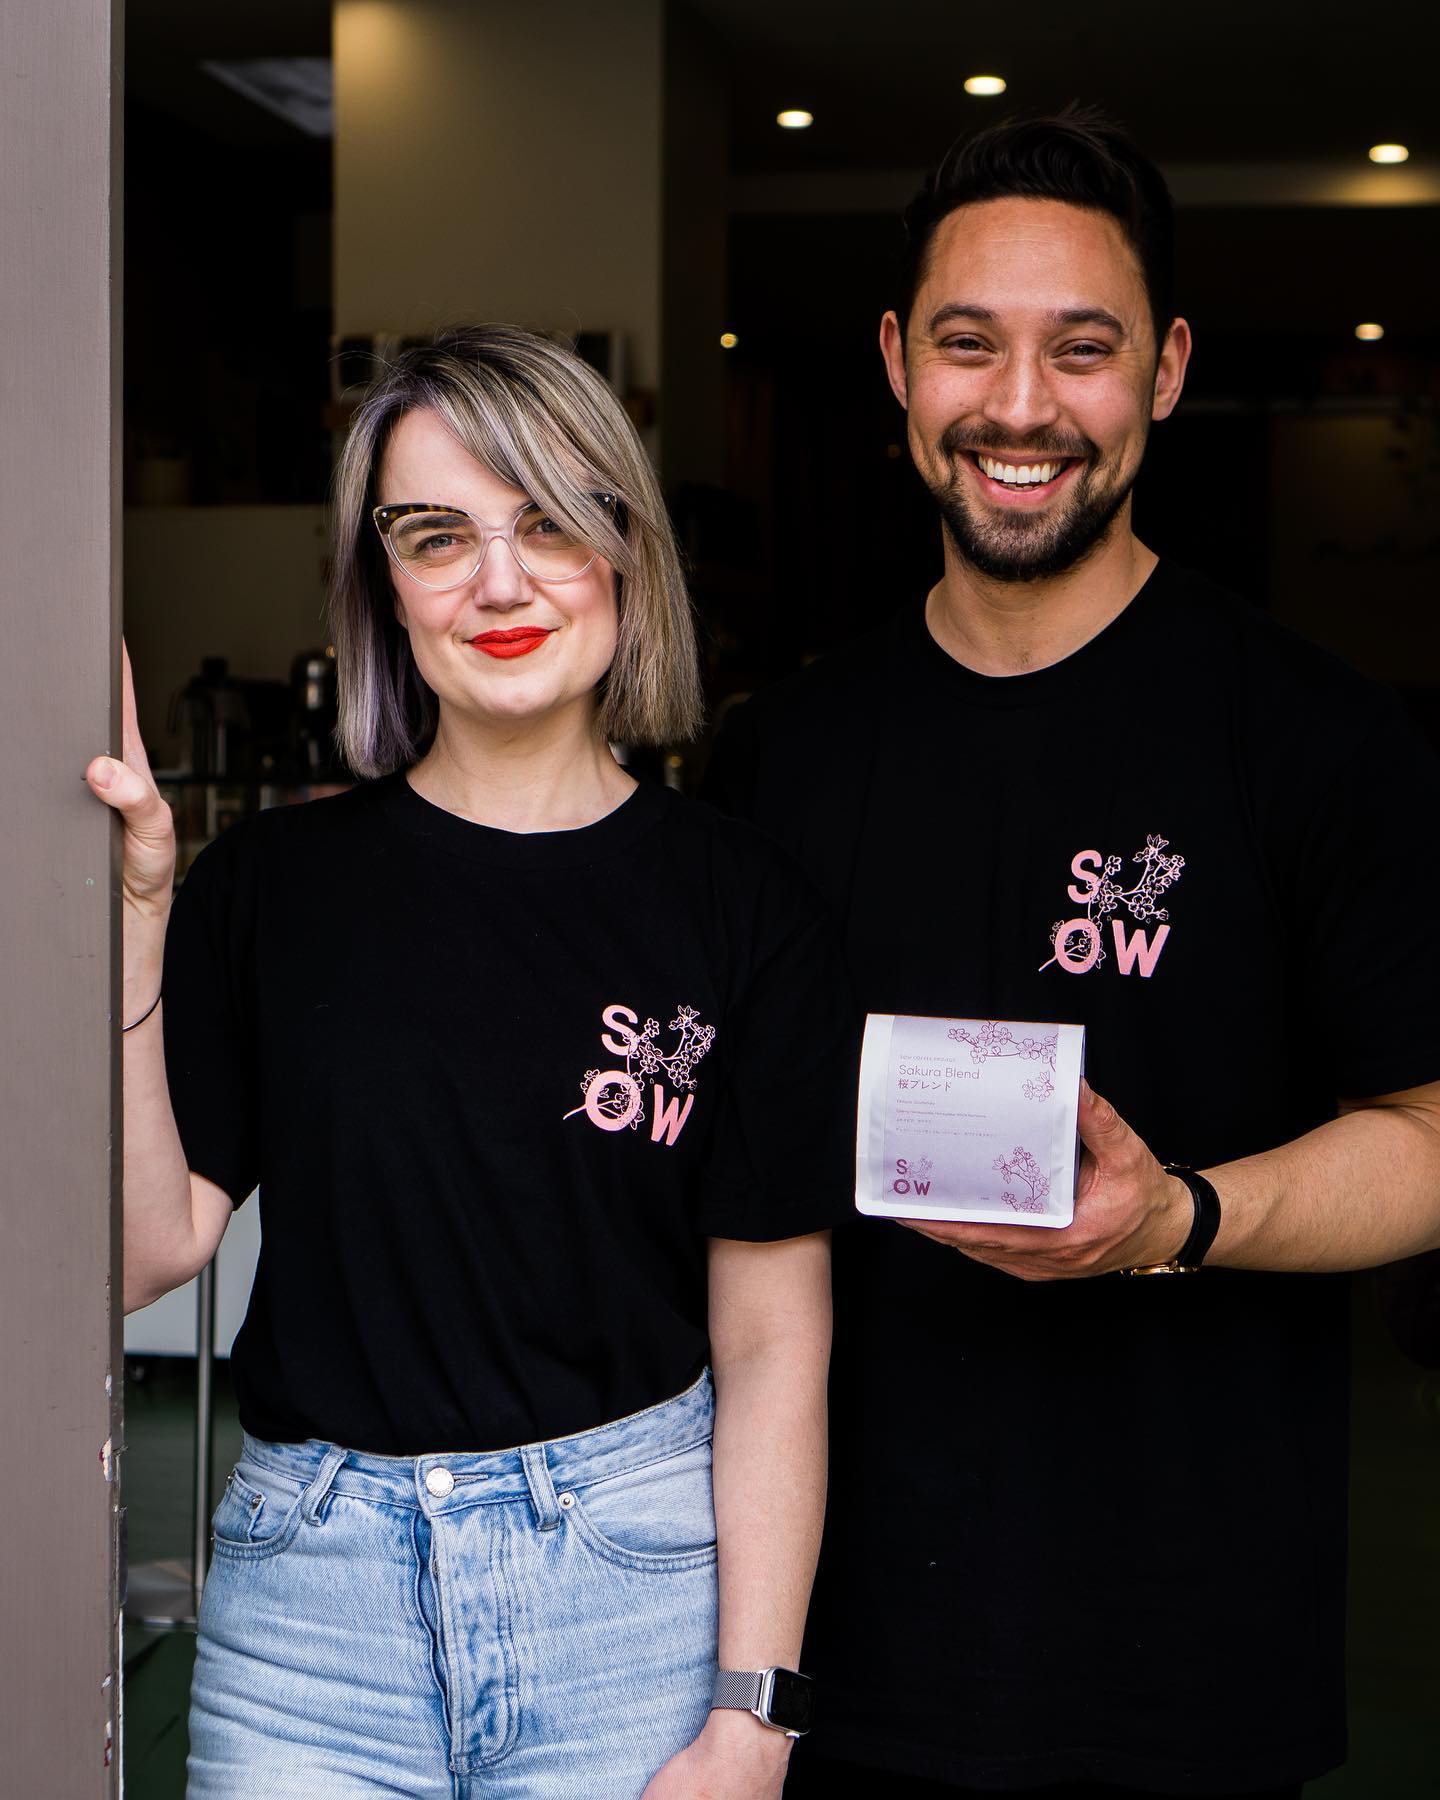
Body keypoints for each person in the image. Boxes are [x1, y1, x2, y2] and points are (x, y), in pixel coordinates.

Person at [704, 110, 1440, 1798]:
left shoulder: (1319, 743)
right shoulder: (779, 759)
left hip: (1182, 1670)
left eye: (1083, 350)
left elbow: (1430, 1142)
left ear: (1168, 371)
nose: (1021, 408)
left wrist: (1174, 1219)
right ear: (898, 362)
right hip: (834, 1663)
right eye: (970, 342)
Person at [90, 325, 846, 1798]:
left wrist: (755, 1713)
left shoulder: (746, 907)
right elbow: (140, 1251)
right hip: (312, 1606)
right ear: (382, 582)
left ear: (626, 551)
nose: (500, 583)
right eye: (438, 536)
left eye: (550, 523)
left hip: (627, 1585)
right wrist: (137, 922)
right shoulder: (273, 889)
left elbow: (771, 1347)